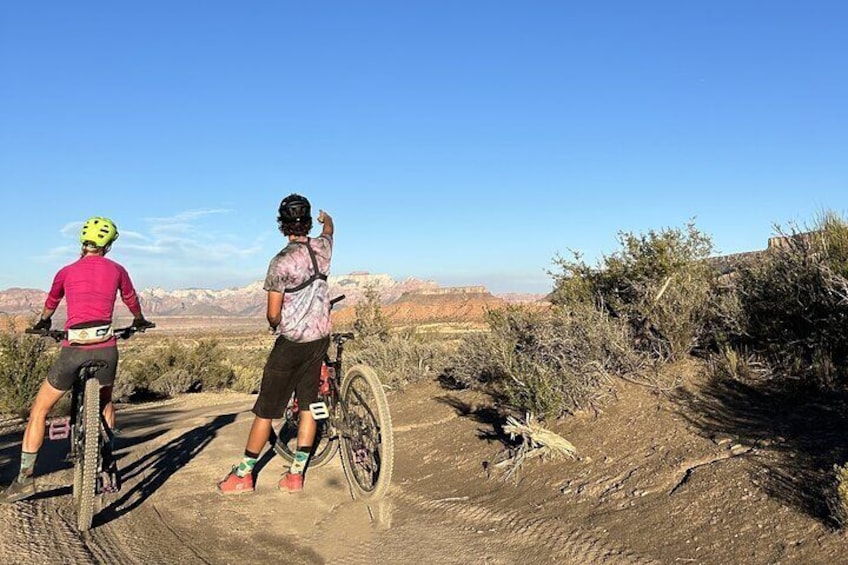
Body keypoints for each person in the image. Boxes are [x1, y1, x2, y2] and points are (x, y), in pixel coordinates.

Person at [1, 216, 153, 504]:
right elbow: (132, 300)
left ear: (83, 243)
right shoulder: (118, 270)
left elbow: (51, 303)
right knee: (106, 403)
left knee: (39, 410)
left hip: (74, 350)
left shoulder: (66, 271)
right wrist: (139, 320)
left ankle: (23, 480)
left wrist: (44, 323)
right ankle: (107, 463)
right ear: (107, 246)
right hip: (106, 349)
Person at [218, 194, 334, 494]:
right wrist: (326, 219)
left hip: (292, 341)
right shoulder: (323, 248)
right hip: (319, 338)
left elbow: (273, 312)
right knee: (308, 403)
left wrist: (274, 324)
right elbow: (330, 231)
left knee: (267, 410)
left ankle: (243, 475)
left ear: (282, 226)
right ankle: (296, 475)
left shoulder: (280, 262)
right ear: (307, 221)